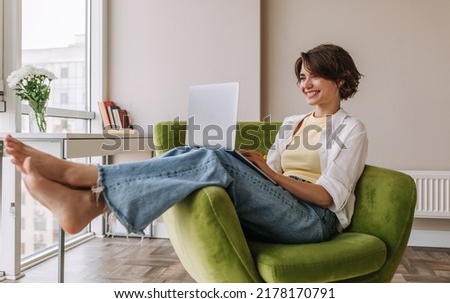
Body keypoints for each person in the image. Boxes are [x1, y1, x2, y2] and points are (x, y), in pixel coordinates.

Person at [4, 43, 367, 245]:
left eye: (315, 75)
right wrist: (260, 169)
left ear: (340, 78)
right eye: (302, 77)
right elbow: (273, 174)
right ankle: (92, 202)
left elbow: (327, 198)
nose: (305, 83)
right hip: (281, 201)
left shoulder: (352, 130)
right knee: (196, 152)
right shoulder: (292, 124)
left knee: (214, 159)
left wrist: (269, 174)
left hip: (312, 221)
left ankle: (81, 177)